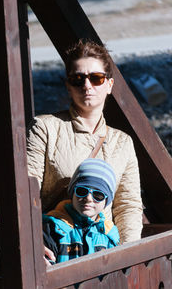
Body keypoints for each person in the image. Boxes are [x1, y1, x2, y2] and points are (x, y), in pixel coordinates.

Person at [27, 39, 143, 248]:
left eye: (96, 78)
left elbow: (128, 206)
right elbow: (27, 195)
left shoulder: (122, 142)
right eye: (78, 79)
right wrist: (33, 245)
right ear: (68, 86)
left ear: (109, 84)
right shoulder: (44, 128)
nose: (87, 85)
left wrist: (128, 257)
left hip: (103, 250)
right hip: (56, 248)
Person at [43, 158, 120, 264]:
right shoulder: (52, 227)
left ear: (106, 201)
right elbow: (46, 264)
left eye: (98, 195)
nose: (88, 198)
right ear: (72, 193)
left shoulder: (109, 234)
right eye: (82, 191)